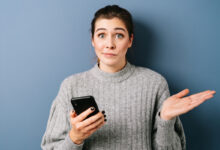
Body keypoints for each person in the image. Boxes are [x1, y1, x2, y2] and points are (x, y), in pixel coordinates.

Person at [41, 5, 216, 150]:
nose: (109, 44)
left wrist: (165, 120)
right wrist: (75, 138)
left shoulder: (154, 83)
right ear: (93, 40)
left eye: (119, 35)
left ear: (130, 40)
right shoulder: (71, 85)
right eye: (101, 35)